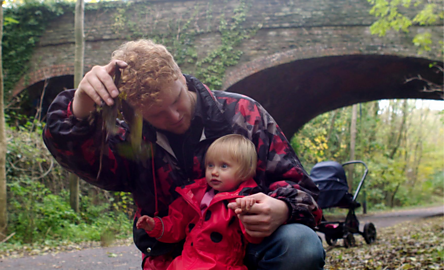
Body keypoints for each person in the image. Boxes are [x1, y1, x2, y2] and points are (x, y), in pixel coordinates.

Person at [43, 39, 325, 270]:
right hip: (176, 261)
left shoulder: (243, 114)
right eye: (157, 115)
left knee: (300, 245)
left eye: (177, 99)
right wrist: (78, 110)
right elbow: (89, 165)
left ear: (180, 75)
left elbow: (303, 191)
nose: (175, 116)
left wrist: (283, 209)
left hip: (247, 252)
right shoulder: (132, 138)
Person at [136, 134, 262, 270]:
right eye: (210, 165)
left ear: (244, 172)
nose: (214, 172)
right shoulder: (195, 196)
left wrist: (248, 210)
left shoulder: (246, 200)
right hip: (186, 264)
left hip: (221, 266)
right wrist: (155, 226)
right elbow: (176, 223)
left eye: (223, 166)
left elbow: (255, 237)